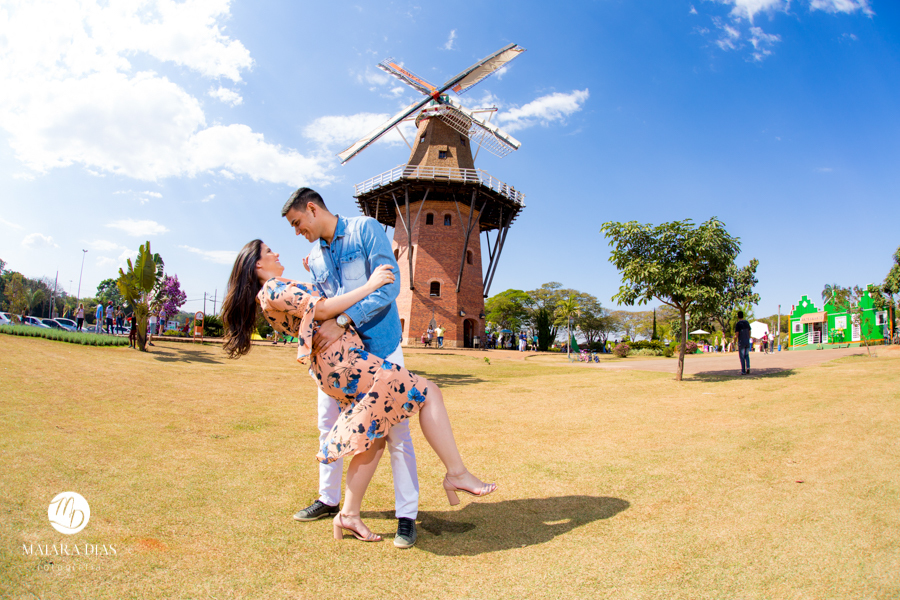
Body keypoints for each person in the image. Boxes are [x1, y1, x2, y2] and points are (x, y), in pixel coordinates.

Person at [221, 240, 496, 544]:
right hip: (346, 363)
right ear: (258, 265)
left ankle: (349, 515)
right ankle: (456, 473)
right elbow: (323, 308)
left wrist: (312, 274)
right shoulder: (273, 287)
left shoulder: (270, 292)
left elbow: (311, 307)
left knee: (375, 436)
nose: (276, 253)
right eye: (269, 251)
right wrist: (373, 283)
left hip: (335, 367)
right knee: (428, 392)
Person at [281, 188, 420, 548]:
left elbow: (389, 288)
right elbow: (321, 300)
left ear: (312, 209)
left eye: (298, 223)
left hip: (380, 346)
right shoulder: (314, 254)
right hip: (338, 359)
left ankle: (406, 515)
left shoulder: (366, 229)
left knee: (396, 433)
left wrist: (343, 320)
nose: (298, 231)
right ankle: (329, 500)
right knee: (328, 424)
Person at [734, 311, 752, 375]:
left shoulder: (738, 324)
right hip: (747, 341)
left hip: (741, 342)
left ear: (738, 316)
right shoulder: (747, 323)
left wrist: (734, 340)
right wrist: (748, 337)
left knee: (742, 356)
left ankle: (743, 370)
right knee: (747, 355)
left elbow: (737, 334)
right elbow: (749, 331)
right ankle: (748, 367)